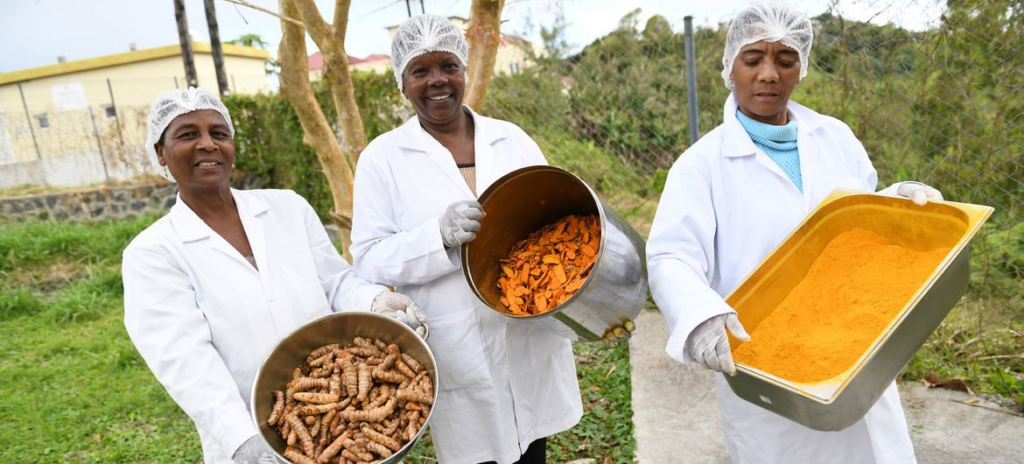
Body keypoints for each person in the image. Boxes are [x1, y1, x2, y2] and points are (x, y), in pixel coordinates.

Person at [646, 3, 942, 463]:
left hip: (853, 353)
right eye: (753, 59)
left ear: (801, 67)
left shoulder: (836, 137)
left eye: (785, 60)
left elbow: (857, 220)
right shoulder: (701, 166)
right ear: (730, 67)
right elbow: (672, 256)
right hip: (768, 371)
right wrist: (699, 313)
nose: (769, 74)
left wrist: (895, 201)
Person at [122, 87, 427, 464]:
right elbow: (186, 363)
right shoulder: (153, 252)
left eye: (219, 133)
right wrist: (244, 441)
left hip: (342, 424)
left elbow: (335, 282)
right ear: (160, 153)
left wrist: (375, 301)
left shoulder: (287, 208)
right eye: (187, 134)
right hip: (256, 433)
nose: (207, 144)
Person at [349, 15, 582, 464]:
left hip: (528, 333)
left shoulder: (511, 140)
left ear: (464, 72)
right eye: (421, 71)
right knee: (476, 453)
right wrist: (435, 238)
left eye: (448, 66)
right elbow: (368, 259)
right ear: (403, 84)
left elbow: (553, 220)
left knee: (534, 449)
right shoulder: (382, 159)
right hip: (458, 346)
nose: (437, 80)